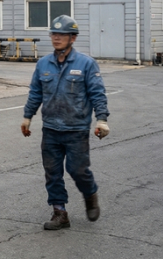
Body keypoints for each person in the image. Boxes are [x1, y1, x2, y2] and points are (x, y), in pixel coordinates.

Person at [22, 14, 109, 230]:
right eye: (54, 33)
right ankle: (59, 212)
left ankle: (90, 194)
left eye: (62, 34)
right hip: (51, 129)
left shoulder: (86, 64)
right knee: (52, 173)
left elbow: (97, 93)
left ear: (73, 38)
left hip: (76, 130)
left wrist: (101, 119)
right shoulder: (43, 63)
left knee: (78, 170)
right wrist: (27, 116)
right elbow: (35, 93)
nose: (56, 38)